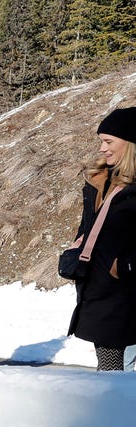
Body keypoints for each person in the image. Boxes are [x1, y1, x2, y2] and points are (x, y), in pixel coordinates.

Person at [67, 107, 136, 371]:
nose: (102, 148)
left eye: (108, 142)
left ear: (130, 144)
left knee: (118, 383)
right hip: (103, 295)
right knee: (110, 376)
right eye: (101, 141)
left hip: (126, 292)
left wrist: (126, 265)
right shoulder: (100, 180)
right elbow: (88, 227)